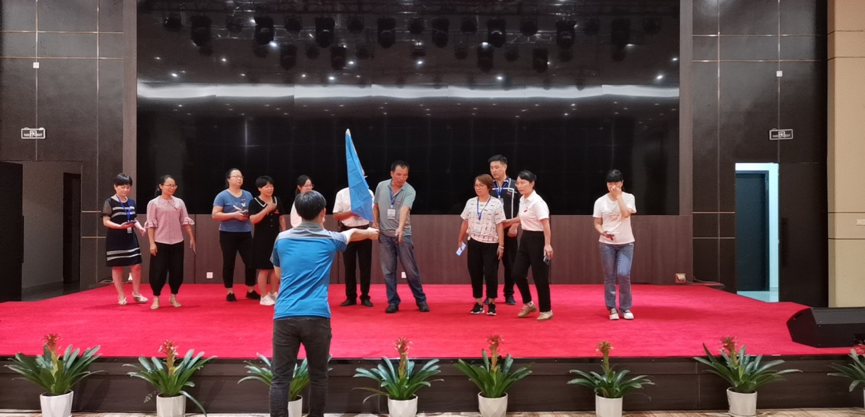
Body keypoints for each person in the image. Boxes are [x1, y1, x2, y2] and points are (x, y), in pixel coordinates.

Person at [269, 190, 379, 417]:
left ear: (298, 213)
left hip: (285, 315)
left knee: (280, 378)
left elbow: (278, 274)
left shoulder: (282, 239)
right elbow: (352, 233)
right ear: (323, 212)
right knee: (318, 376)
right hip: (317, 316)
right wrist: (370, 233)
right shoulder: (330, 239)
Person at [372, 160, 429, 313]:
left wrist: (400, 228)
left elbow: (404, 209)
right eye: (398, 174)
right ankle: (393, 302)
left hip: (403, 235)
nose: (401, 178)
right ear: (391, 174)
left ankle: (421, 300)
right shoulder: (381, 186)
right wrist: (375, 221)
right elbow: (375, 206)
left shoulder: (409, 190)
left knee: (411, 271)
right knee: (388, 271)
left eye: (405, 175)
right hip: (385, 235)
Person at [457, 174, 506, 316]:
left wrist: (501, 245)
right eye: (476, 185)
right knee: (475, 272)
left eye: (481, 186)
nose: (477, 188)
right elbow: (465, 222)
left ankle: (491, 302)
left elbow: (500, 225)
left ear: (489, 187)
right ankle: (478, 303)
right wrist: (460, 239)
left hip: (491, 243)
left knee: (490, 273)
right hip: (474, 241)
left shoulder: (496, 203)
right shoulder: (471, 202)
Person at [145, 175, 196, 309]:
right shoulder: (154, 203)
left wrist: (191, 237)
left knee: (177, 270)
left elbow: (185, 221)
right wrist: (152, 243)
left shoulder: (179, 202)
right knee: (158, 271)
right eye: (169, 185)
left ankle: (173, 296)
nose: (172, 188)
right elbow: (151, 225)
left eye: (174, 185)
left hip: (177, 241)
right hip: (160, 241)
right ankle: (156, 297)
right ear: (161, 186)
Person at [593, 169, 637, 321]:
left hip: (626, 243)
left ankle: (625, 307)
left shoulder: (629, 197)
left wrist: (619, 197)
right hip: (607, 244)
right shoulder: (600, 201)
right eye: (610, 183)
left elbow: (626, 214)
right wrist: (602, 232)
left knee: (624, 274)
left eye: (616, 183)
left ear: (622, 183)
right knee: (609, 276)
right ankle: (611, 307)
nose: (613, 186)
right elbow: (597, 223)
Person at [513, 170, 555, 321]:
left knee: (540, 276)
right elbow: (522, 216)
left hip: (538, 239)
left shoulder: (537, 202)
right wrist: (511, 223)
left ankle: (546, 310)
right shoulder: (523, 199)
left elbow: (546, 224)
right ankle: (529, 304)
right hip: (525, 238)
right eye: (518, 183)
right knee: (517, 273)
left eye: (523, 183)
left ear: (532, 184)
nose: (519, 186)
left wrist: (547, 244)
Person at [212, 168, 259, 302]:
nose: (239, 179)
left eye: (241, 176)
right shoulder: (222, 196)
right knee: (229, 262)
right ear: (228, 179)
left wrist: (247, 215)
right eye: (235, 176)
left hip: (245, 233)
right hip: (228, 233)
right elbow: (215, 215)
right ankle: (230, 291)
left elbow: (252, 211)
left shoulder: (248, 194)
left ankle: (250, 290)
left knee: (250, 261)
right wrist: (234, 215)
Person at [101, 173, 147, 306]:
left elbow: (133, 219)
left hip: (130, 237)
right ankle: (121, 296)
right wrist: (119, 227)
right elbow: (106, 221)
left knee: (136, 265)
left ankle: (137, 293)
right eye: (122, 187)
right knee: (117, 267)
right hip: (115, 238)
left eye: (128, 187)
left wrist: (140, 228)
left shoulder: (131, 202)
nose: (126, 190)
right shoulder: (109, 202)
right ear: (115, 187)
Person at [333, 179, 375, 307]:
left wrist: (364, 211)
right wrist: (352, 212)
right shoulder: (342, 193)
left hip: (365, 231)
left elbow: (373, 212)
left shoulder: (369, 193)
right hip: (348, 232)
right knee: (349, 266)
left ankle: (365, 296)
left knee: (365, 266)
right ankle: (350, 297)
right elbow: (336, 215)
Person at [249, 176, 287, 307]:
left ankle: (273, 293)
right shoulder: (254, 202)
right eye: (266, 186)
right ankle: (263, 296)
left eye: (271, 186)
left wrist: (284, 233)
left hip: (276, 238)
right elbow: (253, 219)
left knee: (275, 268)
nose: (270, 189)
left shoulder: (277, 200)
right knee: (264, 269)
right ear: (259, 188)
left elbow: (281, 218)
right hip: (261, 240)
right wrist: (266, 209)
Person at [488, 155, 520, 305]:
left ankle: (509, 294)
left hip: (509, 230)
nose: (494, 170)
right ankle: (490, 294)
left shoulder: (515, 185)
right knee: (490, 265)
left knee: (511, 264)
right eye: (491, 168)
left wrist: (515, 225)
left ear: (505, 167)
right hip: (491, 232)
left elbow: (523, 207)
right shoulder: (488, 186)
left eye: (497, 167)